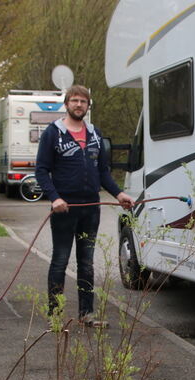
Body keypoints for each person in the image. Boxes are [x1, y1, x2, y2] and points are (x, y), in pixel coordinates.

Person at [34, 85, 134, 325]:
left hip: (91, 209)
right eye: (75, 101)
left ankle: (86, 314)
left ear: (88, 106)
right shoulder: (53, 133)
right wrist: (54, 197)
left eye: (83, 101)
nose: (79, 105)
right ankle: (55, 316)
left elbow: (103, 173)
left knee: (86, 263)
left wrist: (119, 194)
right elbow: (41, 171)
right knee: (60, 260)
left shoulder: (95, 135)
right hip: (64, 210)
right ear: (66, 104)